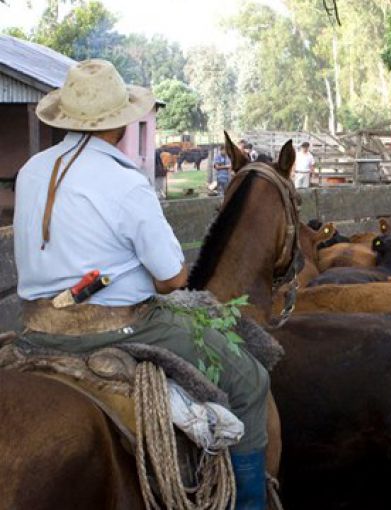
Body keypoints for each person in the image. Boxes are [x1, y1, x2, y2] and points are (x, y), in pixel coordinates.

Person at [13, 59, 269, 509]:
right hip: (119, 324)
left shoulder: (33, 170)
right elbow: (173, 279)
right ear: (121, 125)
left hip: (36, 326)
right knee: (250, 379)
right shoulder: (124, 181)